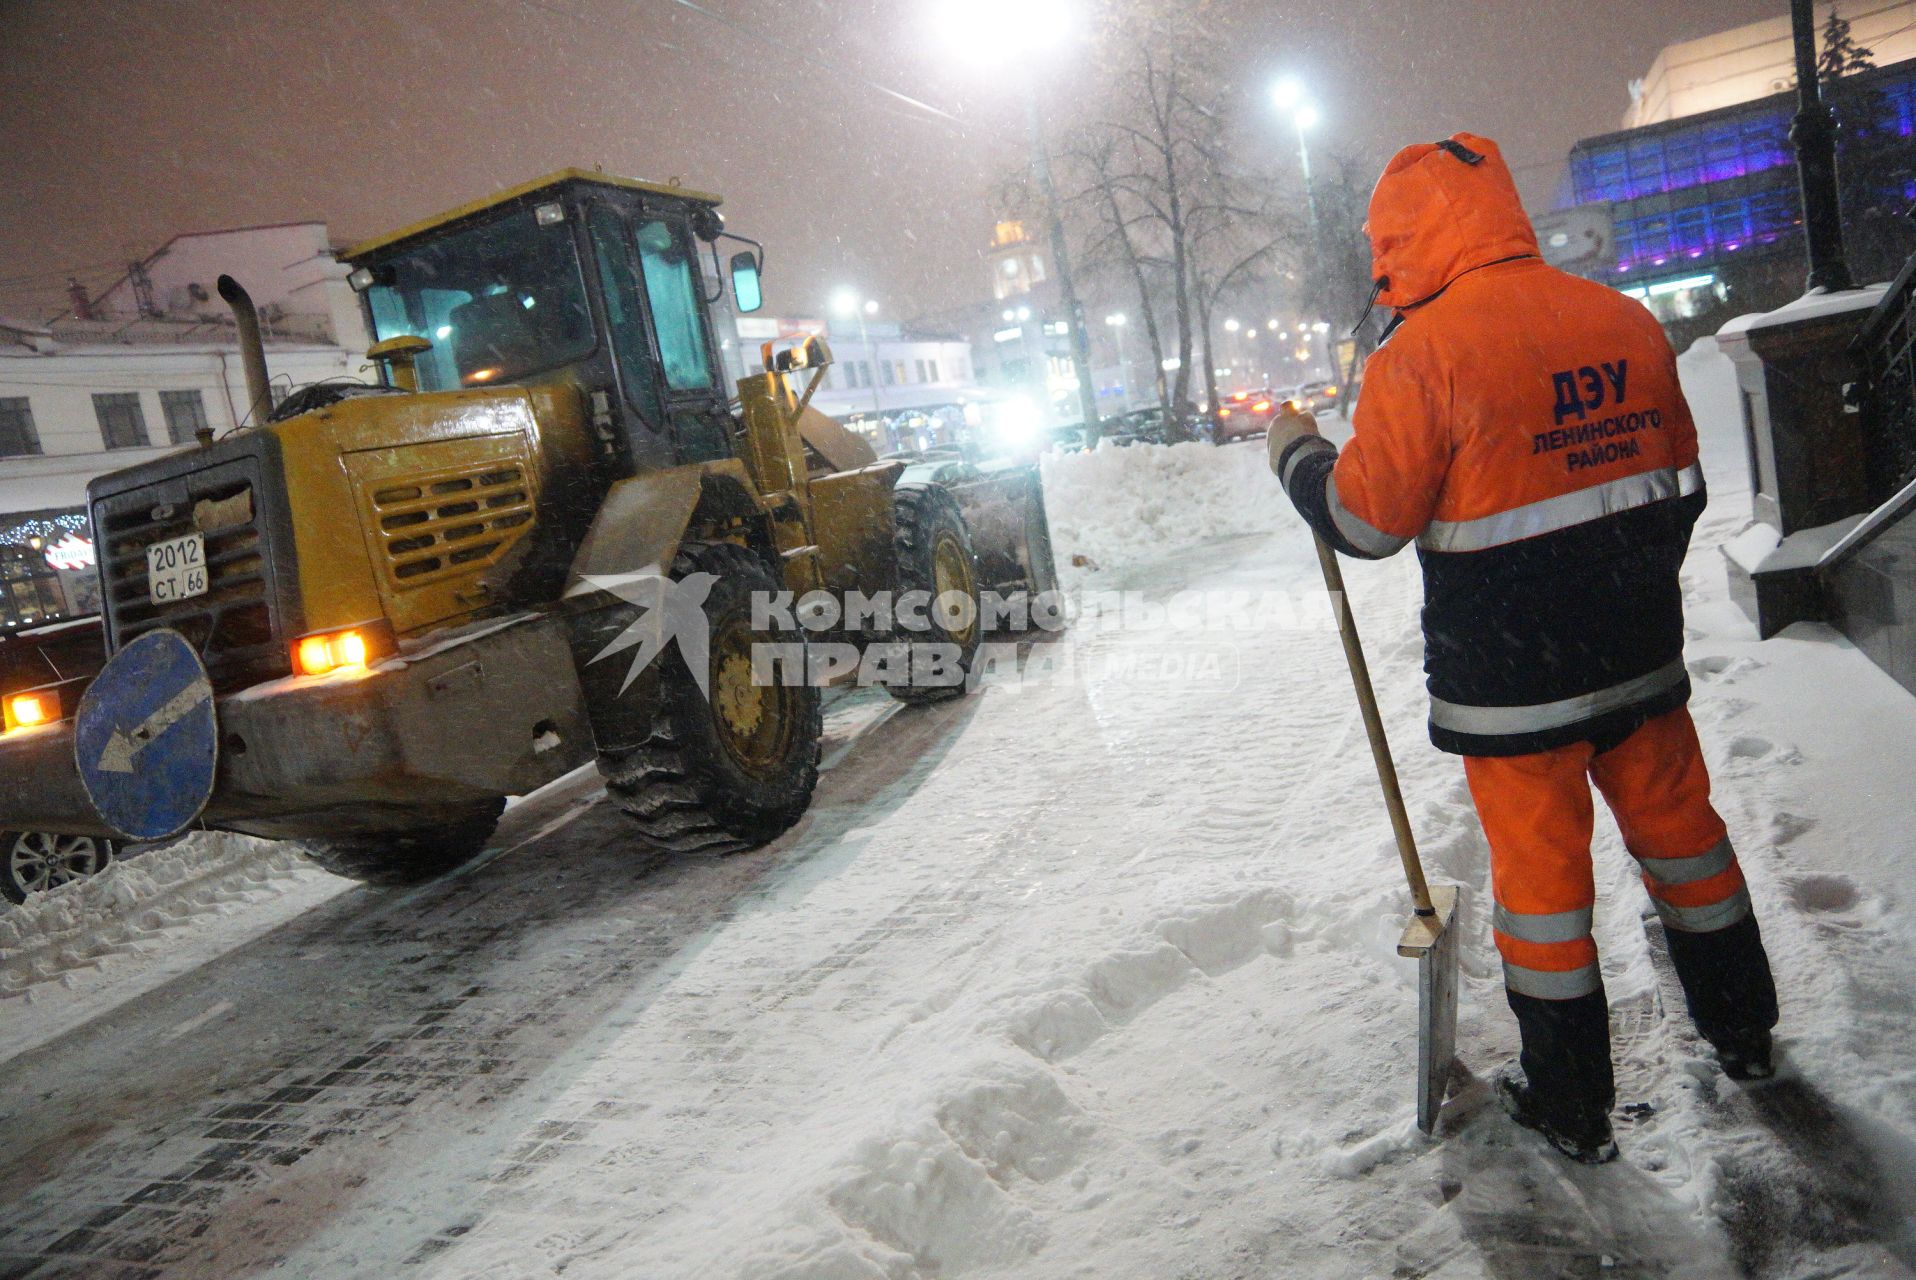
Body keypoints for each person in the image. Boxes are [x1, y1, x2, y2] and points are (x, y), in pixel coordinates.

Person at [1266, 133, 1778, 1164]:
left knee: (1544, 892)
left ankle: (1571, 1098)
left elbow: (1365, 525)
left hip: (1512, 694)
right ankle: (1743, 1028)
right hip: (1635, 662)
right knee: (1687, 843)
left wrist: (1299, 457)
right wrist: (1618, 590)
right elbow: (1681, 486)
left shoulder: (1419, 355)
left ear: (1400, 243)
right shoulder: (1621, 320)